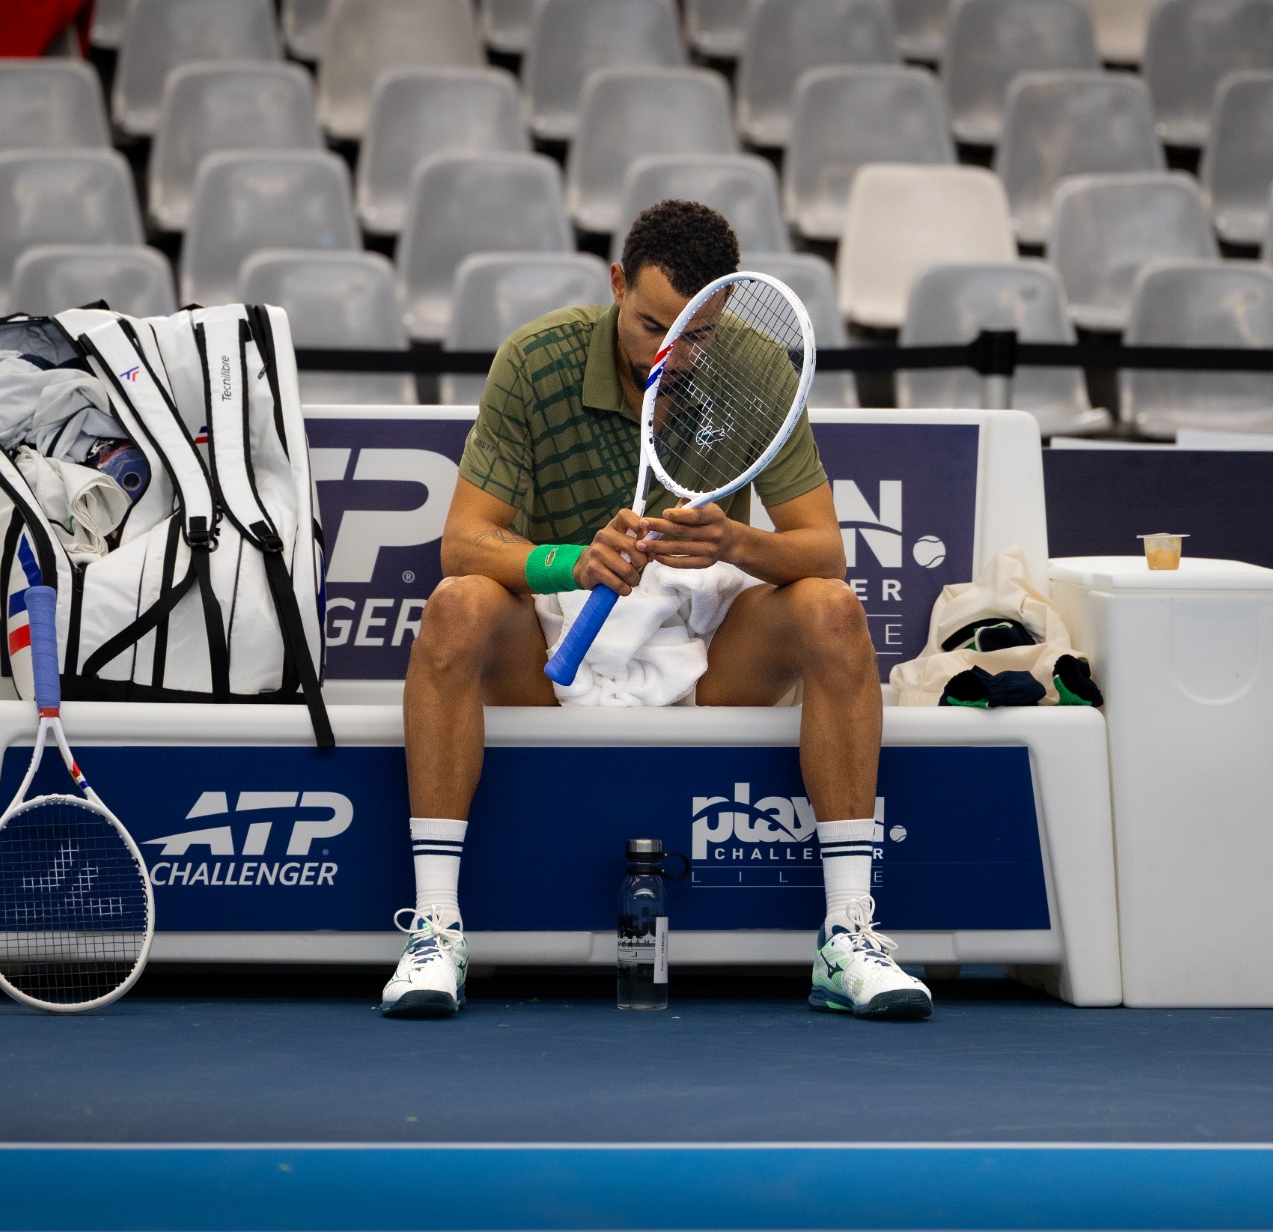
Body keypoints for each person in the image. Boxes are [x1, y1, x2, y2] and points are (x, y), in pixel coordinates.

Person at [383, 200, 931, 1022]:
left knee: (831, 611)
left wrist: (735, 543)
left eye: (697, 335)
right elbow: (463, 543)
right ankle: (434, 929)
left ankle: (847, 935)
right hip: (552, 638)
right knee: (457, 606)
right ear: (616, 284)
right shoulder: (535, 359)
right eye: (651, 327)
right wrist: (570, 560)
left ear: (724, 310)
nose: (671, 355)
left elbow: (823, 552)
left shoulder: (755, 368)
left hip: (702, 640)